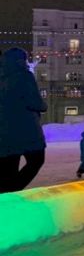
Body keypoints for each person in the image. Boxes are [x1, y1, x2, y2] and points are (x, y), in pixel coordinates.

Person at [0, 48, 48, 193]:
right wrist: (43, 106)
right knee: (36, 160)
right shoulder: (24, 76)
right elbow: (35, 102)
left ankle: (6, 195)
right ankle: (11, 193)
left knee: (8, 169)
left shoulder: (2, 77)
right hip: (26, 130)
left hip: (4, 133)